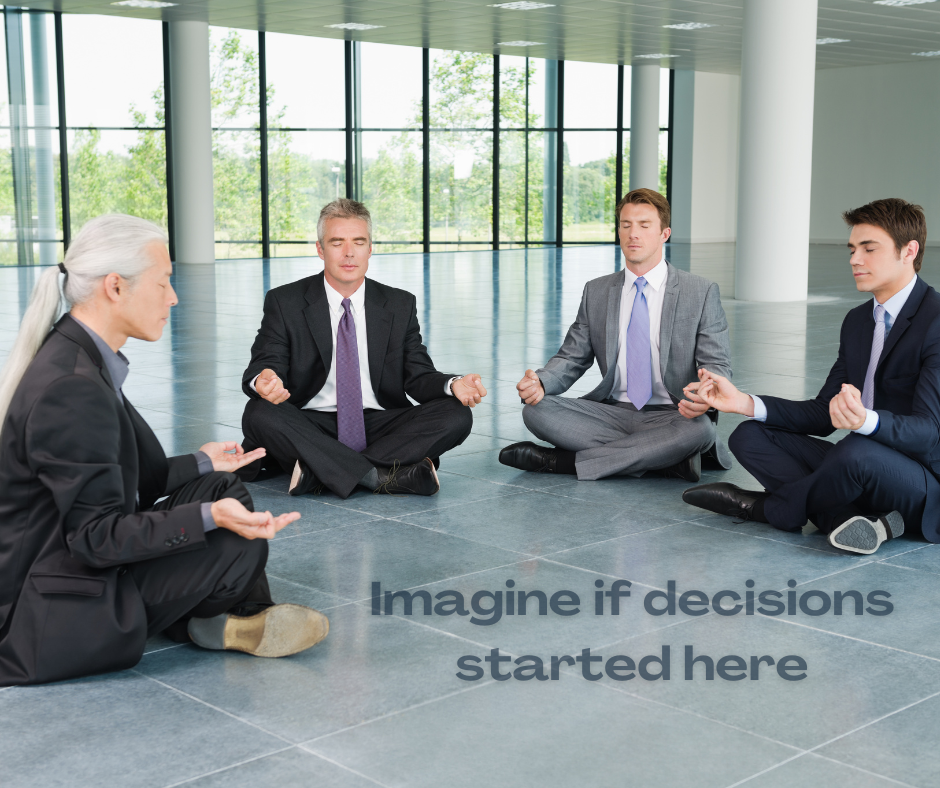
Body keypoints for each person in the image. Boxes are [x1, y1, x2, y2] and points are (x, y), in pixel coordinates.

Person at [0, 215, 329, 687]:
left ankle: (219, 619)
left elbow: (120, 480)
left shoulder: (80, 355)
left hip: (67, 566)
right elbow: (95, 538)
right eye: (163, 282)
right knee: (236, 539)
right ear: (116, 286)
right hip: (48, 614)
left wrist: (204, 463)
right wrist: (209, 518)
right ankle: (218, 620)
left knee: (222, 486)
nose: (173, 297)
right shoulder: (73, 388)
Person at [683, 198, 940, 555]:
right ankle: (851, 521)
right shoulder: (857, 321)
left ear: (908, 251)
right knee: (749, 435)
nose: (855, 259)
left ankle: (762, 508)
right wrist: (743, 402)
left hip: (921, 480)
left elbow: (928, 433)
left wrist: (865, 421)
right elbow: (822, 414)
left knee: (854, 451)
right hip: (857, 465)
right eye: (852, 249)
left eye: (869, 249)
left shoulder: (936, 320)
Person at [241, 198, 486, 499]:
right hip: (311, 422)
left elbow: (418, 375)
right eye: (337, 242)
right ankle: (378, 475)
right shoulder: (285, 301)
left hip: (378, 422)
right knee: (259, 412)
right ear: (320, 249)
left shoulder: (399, 304)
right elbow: (267, 360)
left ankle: (322, 471)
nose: (349, 252)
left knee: (456, 413)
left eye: (358, 242)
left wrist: (453, 384)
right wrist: (264, 379)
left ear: (370, 248)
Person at [498, 188, 732, 482]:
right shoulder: (597, 291)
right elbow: (572, 357)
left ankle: (563, 462)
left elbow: (716, 364)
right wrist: (541, 382)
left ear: (664, 233)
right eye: (626, 225)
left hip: (674, 414)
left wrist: (706, 393)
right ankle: (664, 459)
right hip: (610, 413)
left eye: (644, 225)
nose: (633, 234)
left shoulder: (700, 291)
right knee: (536, 411)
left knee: (700, 430)